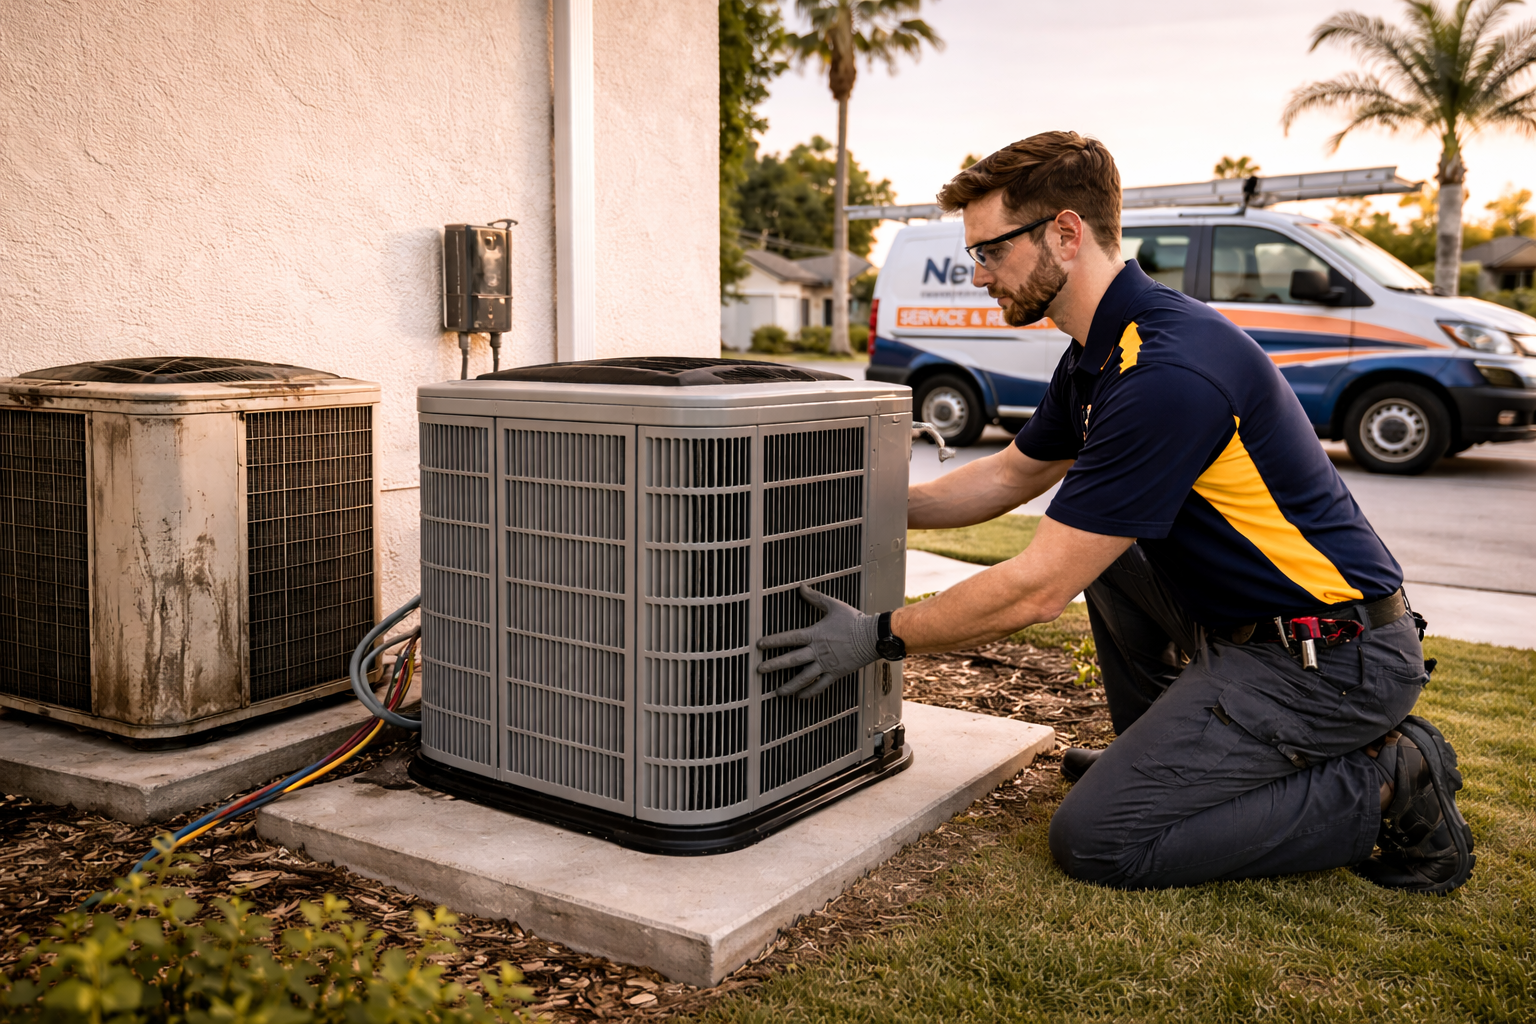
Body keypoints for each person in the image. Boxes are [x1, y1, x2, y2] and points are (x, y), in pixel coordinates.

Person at [757, 131, 1474, 894]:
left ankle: (1395, 776)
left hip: (1330, 659)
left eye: (990, 252)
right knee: (1110, 550)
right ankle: (1165, 757)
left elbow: (1037, 590)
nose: (979, 276)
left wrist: (873, 639)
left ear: (1065, 234)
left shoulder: (1166, 370)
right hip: (1247, 628)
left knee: (1098, 841)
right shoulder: (1100, 350)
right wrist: (857, 507)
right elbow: (1009, 476)